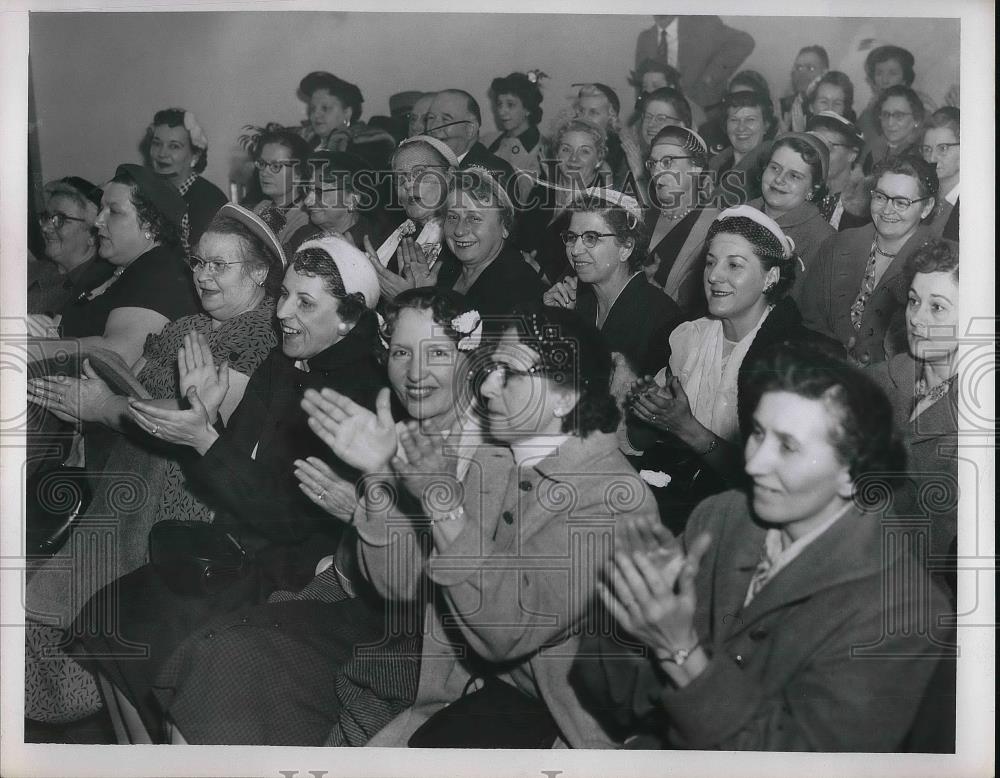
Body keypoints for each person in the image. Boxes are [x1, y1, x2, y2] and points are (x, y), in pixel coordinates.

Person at [73, 234, 385, 738]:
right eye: (284, 294)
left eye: (305, 302)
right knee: (107, 619)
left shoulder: (358, 392)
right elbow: (232, 471)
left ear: (348, 318)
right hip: (245, 550)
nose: (283, 311)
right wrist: (208, 418)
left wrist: (203, 438)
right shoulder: (284, 361)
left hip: (300, 574)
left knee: (152, 634)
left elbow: (288, 515)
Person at [146, 288, 483, 746]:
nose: (416, 372)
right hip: (373, 618)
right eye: (402, 352)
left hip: (433, 655)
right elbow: (372, 572)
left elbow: (464, 594)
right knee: (207, 661)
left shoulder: (492, 450)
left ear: (470, 357)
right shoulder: (394, 429)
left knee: (218, 660)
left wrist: (361, 512)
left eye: (437, 353)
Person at [574, 342, 949, 751]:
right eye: (757, 433)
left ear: (851, 474)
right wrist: (632, 612)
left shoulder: (905, 611)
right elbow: (606, 675)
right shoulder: (723, 516)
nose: (753, 464)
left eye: (787, 446)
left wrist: (680, 652)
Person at [318, 304, 661, 748]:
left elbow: (507, 630)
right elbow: (401, 585)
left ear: (565, 396)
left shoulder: (616, 499)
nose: (487, 384)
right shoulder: (496, 459)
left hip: (565, 732)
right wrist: (380, 478)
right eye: (492, 367)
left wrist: (441, 499)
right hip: (466, 695)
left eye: (509, 373)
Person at [24, 205, 283, 724]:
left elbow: (193, 415)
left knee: (123, 649)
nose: (203, 276)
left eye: (219, 266)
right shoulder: (188, 323)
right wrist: (102, 390)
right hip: (128, 488)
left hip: (183, 507)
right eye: (198, 263)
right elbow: (137, 385)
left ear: (258, 273)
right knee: (69, 624)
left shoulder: (263, 337)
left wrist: (103, 406)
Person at [623, 206, 834, 532]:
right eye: (710, 262)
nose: (715, 275)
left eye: (734, 265)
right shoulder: (689, 338)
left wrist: (687, 429)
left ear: (771, 277)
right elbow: (644, 441)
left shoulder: (796, 360)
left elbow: (773, 481)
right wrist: (646, 410)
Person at [797, 155, 938, 366]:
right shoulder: (837, 245)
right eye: (880, 197)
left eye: (901, 202)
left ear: (926, 208)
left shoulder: (938, 266)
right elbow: (808, 321)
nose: (887, 210)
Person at [54, 164, 197, 366]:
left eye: (113, 211)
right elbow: (56, 326)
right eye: (101, 208)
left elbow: (118, 355)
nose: (98, 221)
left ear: (151, 223)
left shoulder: (161, 274)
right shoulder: (105, 268)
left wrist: (40, 348)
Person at [542, 191, 680, 373]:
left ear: (626, 248)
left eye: (591, 238)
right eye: (572, 237)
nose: (575, 250)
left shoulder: (662, 319)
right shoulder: (578, 303)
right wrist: (554, 319)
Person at [434, 167, 544, 318]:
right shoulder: (444, 271)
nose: (459, 231)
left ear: (505, 226)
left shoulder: (521, 291)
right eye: (452, 217)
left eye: (474, 218)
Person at [362, 135, 457, 303]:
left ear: (449, 176)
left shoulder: (460, 238)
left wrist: (406, 299)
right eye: (400, 178)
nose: (407, 185)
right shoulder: (392, 233)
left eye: (419, 172)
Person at [518, 119, 610, 283]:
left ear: (599, 159)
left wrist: (540, 272)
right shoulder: (543, 188)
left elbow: (589, 275)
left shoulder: (602, 206)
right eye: (566, 149)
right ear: (556, 154)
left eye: (584, 151)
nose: (573, 159)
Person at [643, 126, 719, 318]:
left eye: (667, 161)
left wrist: (649, 289)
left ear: (696, 167)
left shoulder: (715, 227)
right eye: (653, 163)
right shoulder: (642, 216)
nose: (657, 171)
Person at [752, 133, 836, 279]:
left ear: (813, 189)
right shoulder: (738, 214)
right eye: (775, 168)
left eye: (794, 176)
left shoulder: (823, 241)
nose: (779, 179)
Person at [634, 15, 755, 114]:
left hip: (705, 111)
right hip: (663, 115)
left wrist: (709, 78)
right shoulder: (645, 38)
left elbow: (744, 42)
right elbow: (640, 86)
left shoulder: (704, 25)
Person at [143, 108, 227, 249]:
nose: (162, 153)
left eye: (174, 146)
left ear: (195, 155)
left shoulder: (210, 200)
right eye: (157, 143)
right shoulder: (146, 190)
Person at [28, 177, 113, 317]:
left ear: (93, 235)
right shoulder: (32, 271)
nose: (45, 228)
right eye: (46, 217)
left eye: (59, 219)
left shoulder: (100, 288)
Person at [296, 71, 395, 169]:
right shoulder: (305, 138)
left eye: (325, 108)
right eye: (313, 108)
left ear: (347, 112)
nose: (316, 115)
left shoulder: (373, 143)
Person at [291, 150, 386, 251]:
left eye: (319, 192)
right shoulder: (304, 234)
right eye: (308, 189)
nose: (307, 201)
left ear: (351, 199)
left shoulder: (373, 247)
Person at [424, 89, 515, 186]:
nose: (433, 127)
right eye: (431, 118)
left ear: (470, 129)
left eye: (446, 119)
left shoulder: (493, 173)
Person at [619, 87, 693, 199]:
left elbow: (658, 212)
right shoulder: (638, 158)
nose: (651, 124)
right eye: (648, 117)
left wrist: (639, 176)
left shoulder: (687, 164)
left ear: (681, 126)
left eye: (661, 119)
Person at [246, 125, 312, 250]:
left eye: (275, 166)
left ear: (298, 173)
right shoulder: (262, 207)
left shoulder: (303, 218)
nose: (264, 172)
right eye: (262, 163)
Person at [708, 90, 776, 207]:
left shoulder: (771, 168)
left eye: (750, 120)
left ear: (766, 125)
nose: (741, 128)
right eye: (734, 120)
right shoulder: (715, 166)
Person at [484, 72, 546, 202]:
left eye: (510, 105)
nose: (502, 111)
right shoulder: (487, 141)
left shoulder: (542, 151)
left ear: (527, 109)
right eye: (499, 104)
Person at [806, 111, 869, 230]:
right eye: (814, 145)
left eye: (827, 147)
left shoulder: (863, 206)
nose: (819, 154)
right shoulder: (804, 191)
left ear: (853, 154)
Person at [697, 70, 773, 155]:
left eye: (748, 100)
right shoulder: (709, 134)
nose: (739, 105)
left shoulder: (773, 152)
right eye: (733, 100)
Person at [572, 83, 627, 186]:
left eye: (593, 113)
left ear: (610, 117)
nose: (584, 118)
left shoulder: (621, 155)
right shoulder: (564, 143)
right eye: (581, 111)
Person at [862, 85, 925, 173]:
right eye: (886, 114)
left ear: (916, 119)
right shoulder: (875, 150)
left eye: (899, 116)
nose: (890, 123)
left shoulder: (919, 159)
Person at [921, 108, 960, 240]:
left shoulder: (975, 204)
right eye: (927, 149)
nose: (932, 158)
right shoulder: (924, 194)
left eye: (943, 148)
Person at [778, 45, 829, 130]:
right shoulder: (781, 106)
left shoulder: (828, 110)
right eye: (799, 67)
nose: (802, 73)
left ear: (824, 73)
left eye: (810, 68)